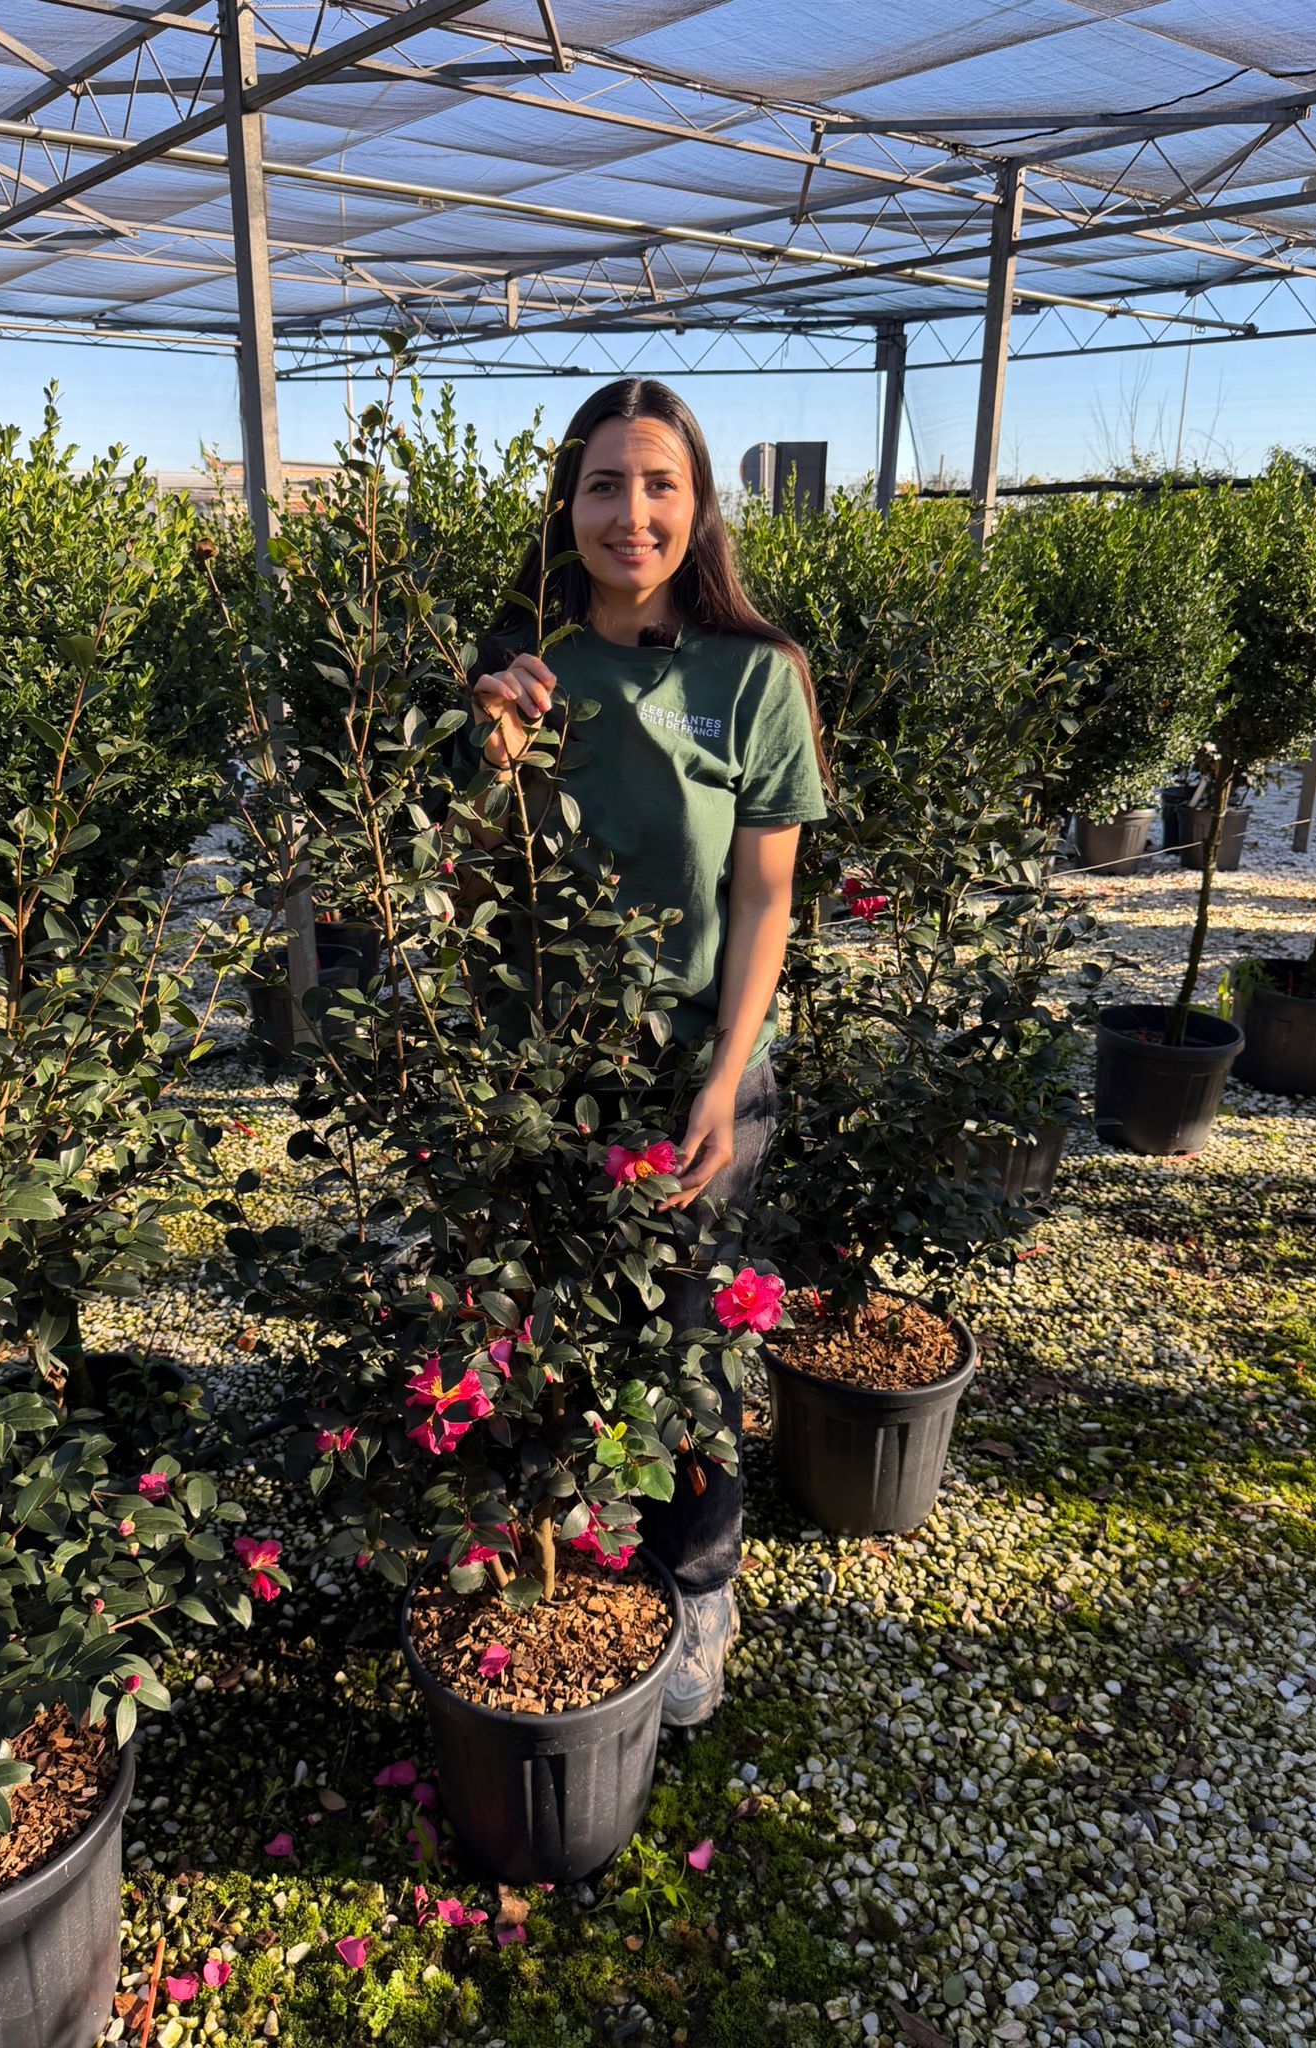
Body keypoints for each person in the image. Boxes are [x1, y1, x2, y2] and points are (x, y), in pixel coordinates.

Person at [466, 377, 826, 1726]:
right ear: (568, 504)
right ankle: (566, 1560)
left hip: (691, 1073)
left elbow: (763, 898)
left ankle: (701, 1583)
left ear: (699, 505)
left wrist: (726, 1084)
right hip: (547, 1074)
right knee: (548, 1329)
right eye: (606, 483)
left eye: (660, 483)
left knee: (689, 1341)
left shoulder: (754, 677)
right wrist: (490, 758)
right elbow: (463, 892)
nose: (633, 511)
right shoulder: (524, 668)